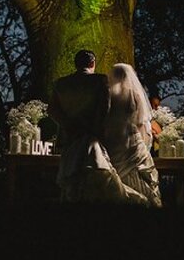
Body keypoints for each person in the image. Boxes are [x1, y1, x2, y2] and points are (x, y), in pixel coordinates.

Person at [49, 50, 148, 205]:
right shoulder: (100, 80)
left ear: (76, 64)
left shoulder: (60, 84)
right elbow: (104, 109)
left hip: (70, 138)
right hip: (92, 139)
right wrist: (94, 130)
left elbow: (52, 110)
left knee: (72, 183)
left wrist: (69, 126)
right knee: (96, 182)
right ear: (93, 63)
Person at [104, 64, 162, 207]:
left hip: (112, 141)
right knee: (140, 174)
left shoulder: (108, 93)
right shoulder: (134, 94)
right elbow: (141, 120)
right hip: (131, 140)